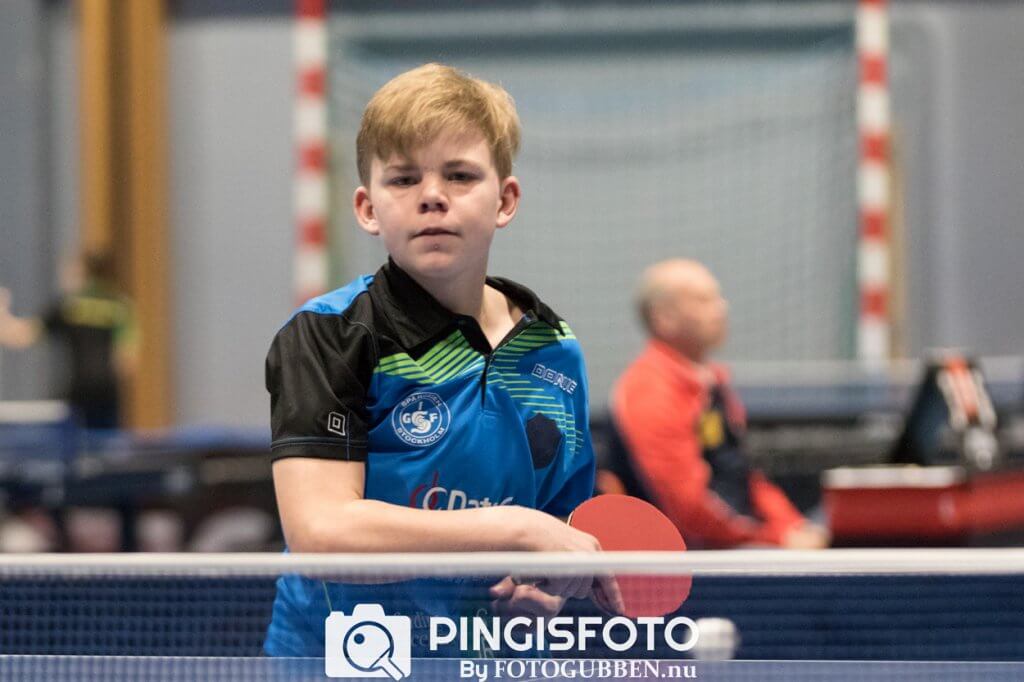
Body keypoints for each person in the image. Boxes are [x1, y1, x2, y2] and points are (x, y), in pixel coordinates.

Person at [264, 63, 619, 657]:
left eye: (459, 175)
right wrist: (511, 531)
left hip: (485, 659)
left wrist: (546, 590)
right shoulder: (329, 334)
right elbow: (321, 532)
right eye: (404, 179)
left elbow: (563, 526)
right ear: (368, 208)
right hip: (341, 657)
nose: (432, 195)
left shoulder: (553, 350)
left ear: (505, 199)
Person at [611, 259, 829, 550]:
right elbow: (688, 508)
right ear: (665, 317)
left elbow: (745, 475)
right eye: (703, 300)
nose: (721, 308)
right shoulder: (650, 390)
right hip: (694, 558)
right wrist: (775, 539)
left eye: (717, 298)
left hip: (738, 541)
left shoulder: (711, 382)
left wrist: (792, 525)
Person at [0, 250, 137, 429]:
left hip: (77, 394)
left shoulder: (69, 306)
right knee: (104, 443)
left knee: (73, 442)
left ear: (81, 271)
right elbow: (127, 361)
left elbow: (21, 336)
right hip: (107, 395)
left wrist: (2, 315)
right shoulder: (121, 307)